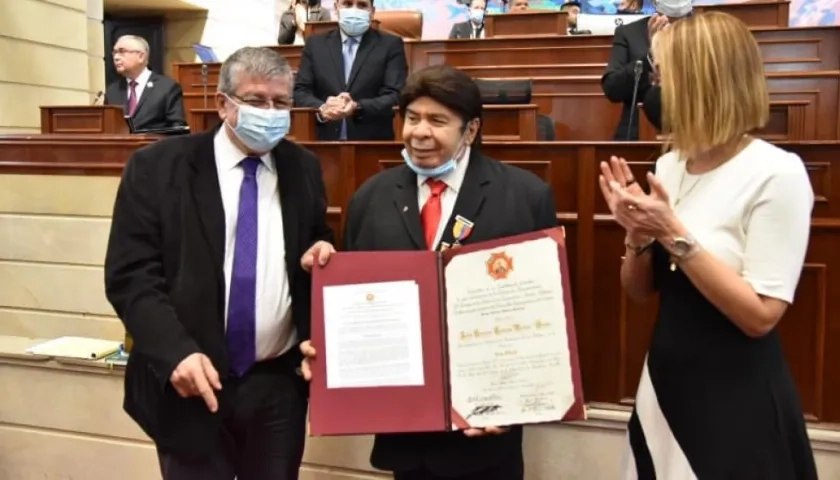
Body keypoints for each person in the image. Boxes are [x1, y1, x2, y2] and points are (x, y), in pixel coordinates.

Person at [300, 65, 558, 480]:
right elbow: (356, 306)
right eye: (412, 118)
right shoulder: (370, 198)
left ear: (470, 130)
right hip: (405, 437)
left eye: (437, 121)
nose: (420, 132)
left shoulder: (525, 196)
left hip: (486, 435)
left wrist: (517, 402)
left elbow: (545, 315)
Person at [598, 13, 818, 479]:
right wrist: (637, 234)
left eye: (663, 74)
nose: (655, 87)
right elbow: (639, 292)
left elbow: (760, 317)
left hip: (736, 394)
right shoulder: (671, 164)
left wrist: (673, 233)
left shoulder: (776, 172)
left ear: (702, 82)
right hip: (666, 379)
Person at [104, 46, 335, 480]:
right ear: (223, 104)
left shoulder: (302, 167)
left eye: (281, 102)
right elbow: (131, 277)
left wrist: (320, 248)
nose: (271, 113)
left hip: (277, 386)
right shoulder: (158, 167)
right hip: (190, 381)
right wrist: (175, 353)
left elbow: (314, 238)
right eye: (256, 100)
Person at [293, 0, 408, 141]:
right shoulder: (315, 44)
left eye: (362, 5)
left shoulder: (390, 45)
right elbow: (301, 91)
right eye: (347, 4)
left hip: (371, 143)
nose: (354, 10)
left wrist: (357, 107)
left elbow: (396, 95)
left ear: (372, 12)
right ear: (336, 8)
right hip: (322, 140)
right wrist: (323, 108)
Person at [600, 0, 691, 140]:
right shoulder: (629, 33)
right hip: (639, 133)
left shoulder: (708, 32)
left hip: (695, 132)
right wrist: (652, 55)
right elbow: (612, 89)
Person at [105, 35, 186, 131]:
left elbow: (178, 128)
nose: (116, 57)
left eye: (122, 52)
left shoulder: (167, 87)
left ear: (141, 56)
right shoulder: (112, 91)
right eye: (114, 52)